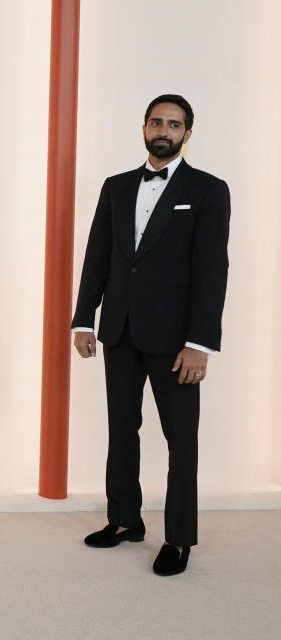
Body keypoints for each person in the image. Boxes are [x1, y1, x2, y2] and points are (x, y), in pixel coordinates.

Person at [71, 94, 230, 576]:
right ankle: (124, 521)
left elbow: (211, 271)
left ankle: (179, 538)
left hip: (176, 341)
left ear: (188, 133)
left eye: (175, 124)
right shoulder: (116, 187)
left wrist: (200, 343)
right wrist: (84, 319)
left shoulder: (208, 189)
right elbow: (98, 253)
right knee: (122, 430)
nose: (164, 129)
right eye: (157, 121)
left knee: (182, 440)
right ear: (144, 127)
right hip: (118, 331)